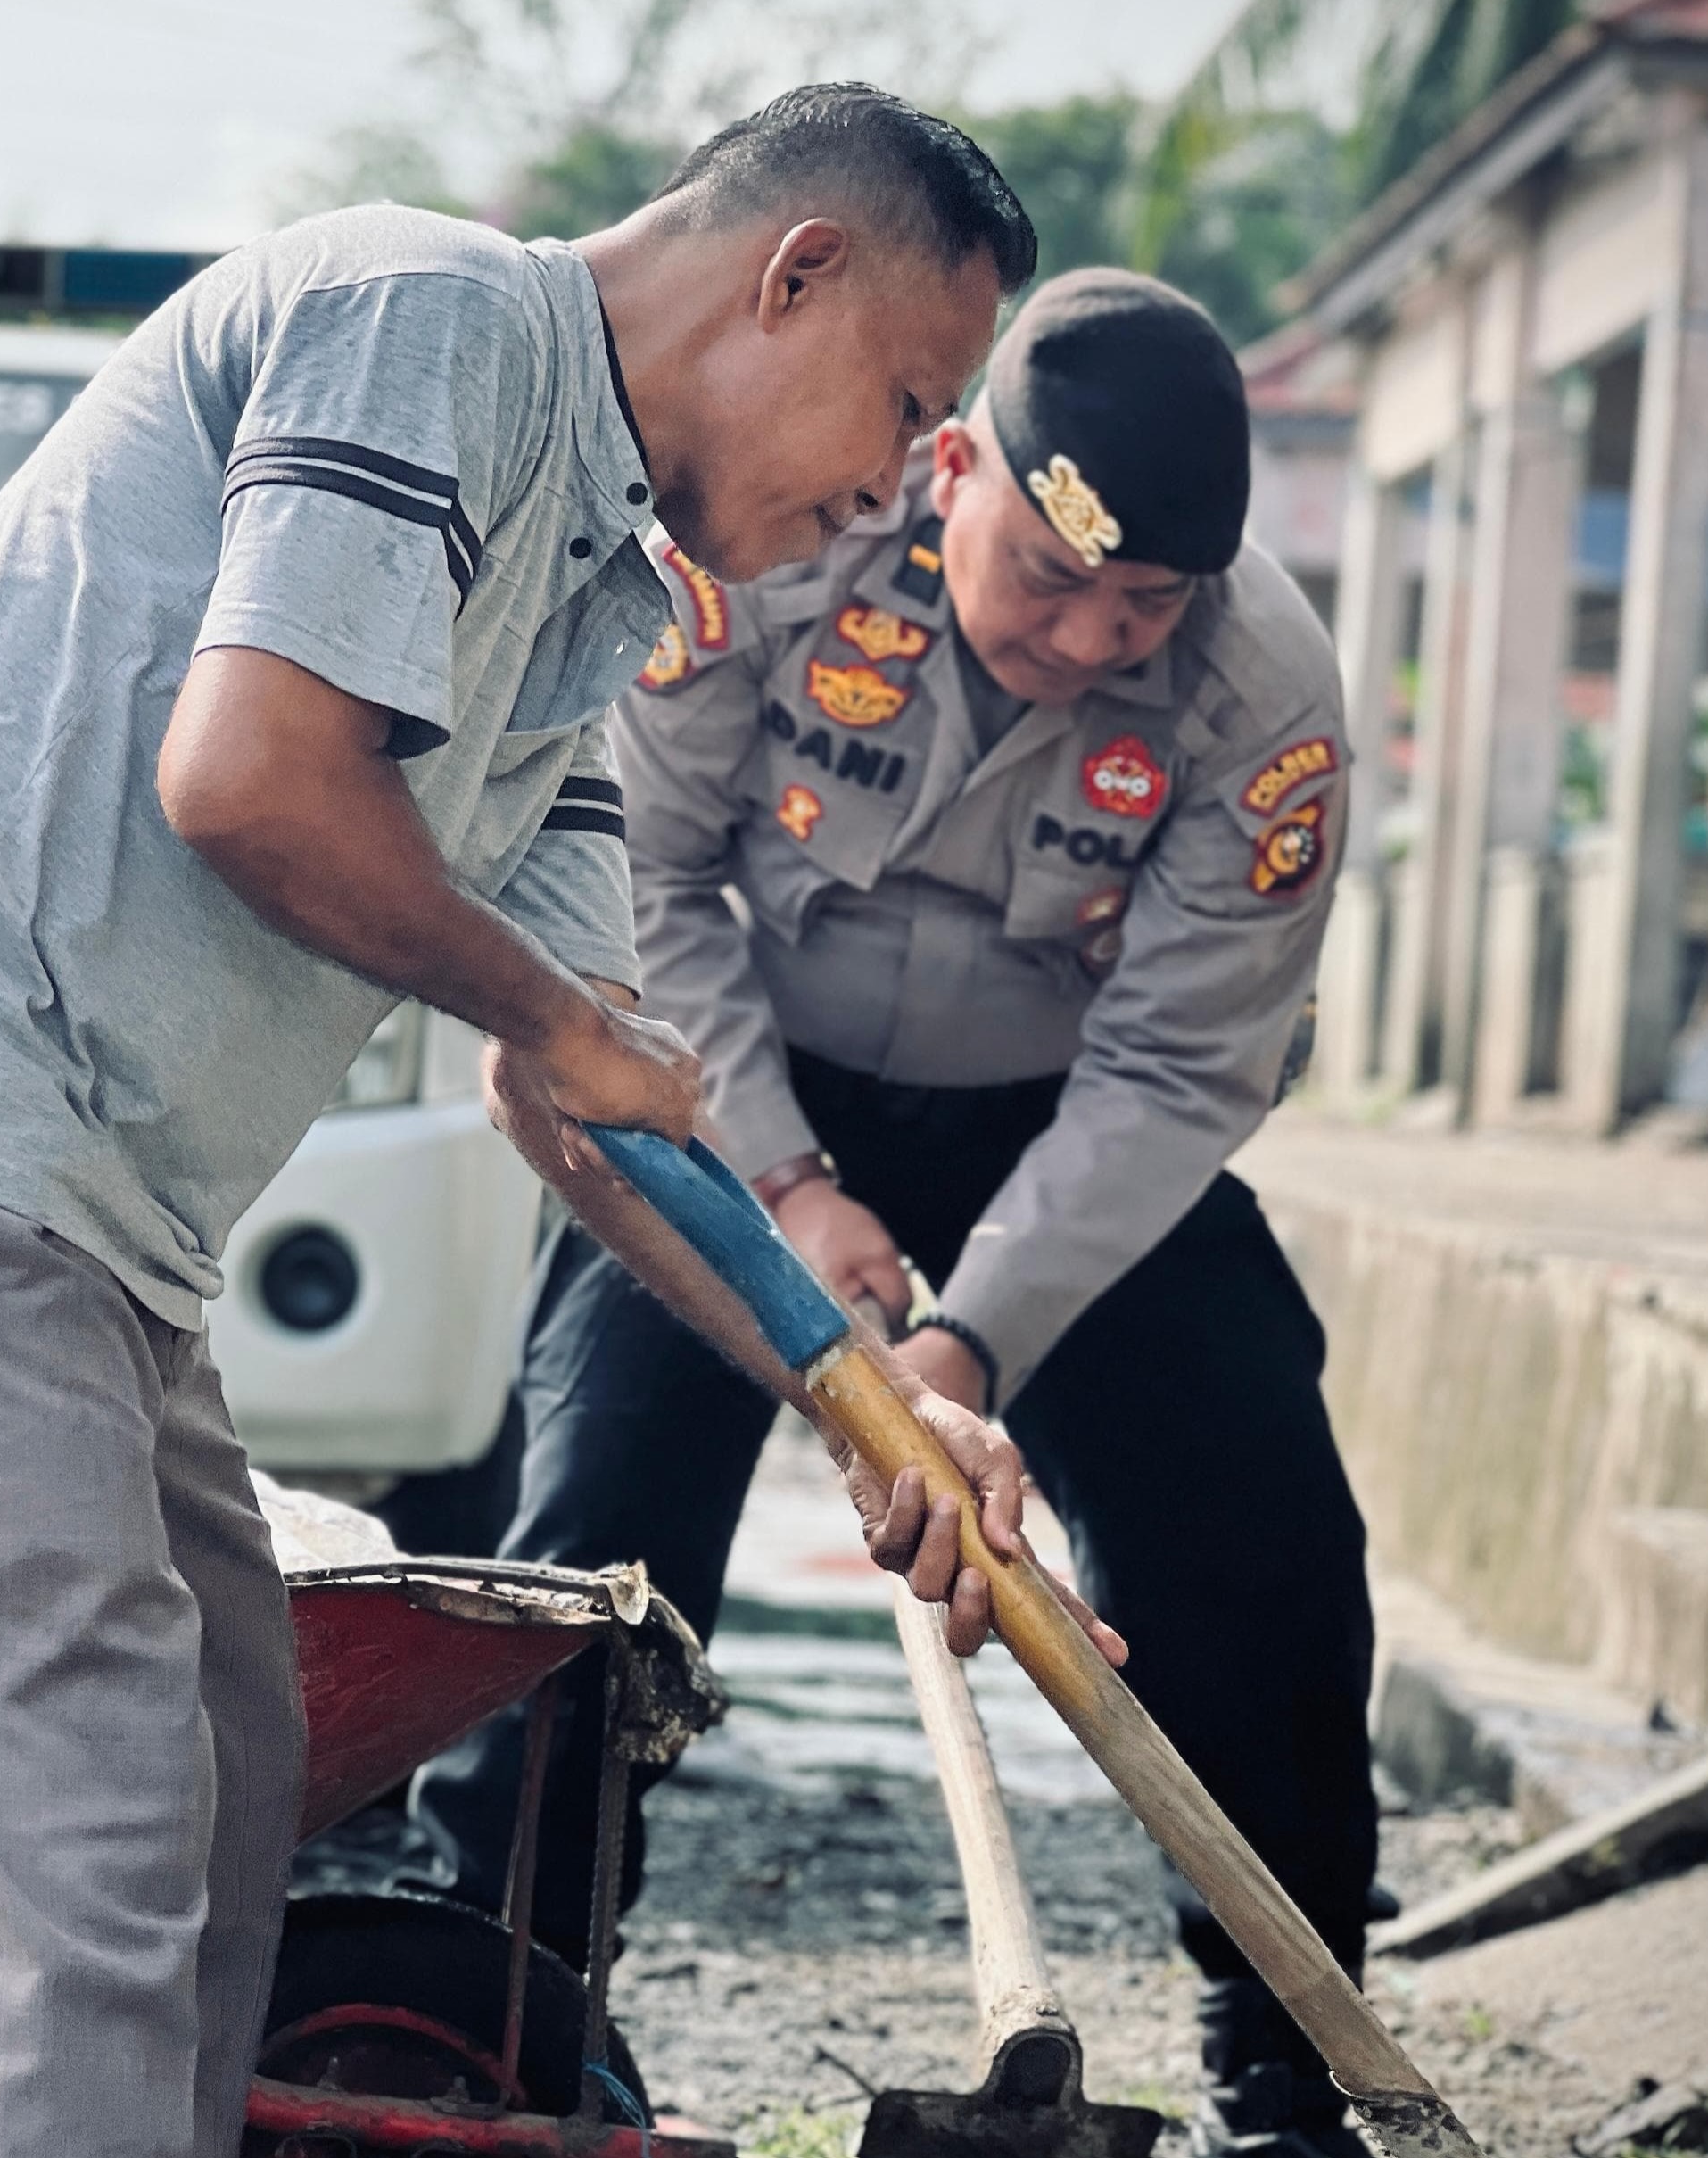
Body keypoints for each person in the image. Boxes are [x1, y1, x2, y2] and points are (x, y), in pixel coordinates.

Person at [0, 85, 1039, 2158]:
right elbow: (258, 779)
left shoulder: (589, 589)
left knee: (216, 1762)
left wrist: (870, 1418)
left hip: (77, 1202)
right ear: (792, 275)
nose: (895, 493)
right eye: (907, 401)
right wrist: (559, 1019)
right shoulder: (436, 317)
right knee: (85, 1844)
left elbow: (595, 1104)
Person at [409, 268, 1376, 2158]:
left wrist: (960, 1334)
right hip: (731, 1084)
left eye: (1146, 606)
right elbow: (647, 889)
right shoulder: (780, 549)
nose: (1096, 635)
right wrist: (786, 1193)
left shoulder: (1268, 694)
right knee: (590, 1526)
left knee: (1256, 1527)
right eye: (1056, 578)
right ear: (955, 470)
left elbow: (1185, 1070)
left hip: (1074, 1124)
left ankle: (1296, 2063)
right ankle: (508, 2017)